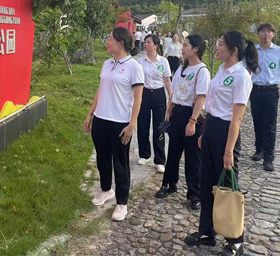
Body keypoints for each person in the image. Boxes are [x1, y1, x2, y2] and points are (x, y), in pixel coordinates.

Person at [185, 31, 258, 256]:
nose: (216, 47)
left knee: (227, 186)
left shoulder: (241, 76)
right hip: (211, 127)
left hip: (227, 132)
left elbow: (237, 119)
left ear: (233, 50)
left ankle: (235, 240)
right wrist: (205, 133)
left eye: (220, 44)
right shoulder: (222, 69)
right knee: (206, 183)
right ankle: (207, 232)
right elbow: (214, 105)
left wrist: (228, 151)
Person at [84, 27, 144, 221]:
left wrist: (132, 123)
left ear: (120, 43)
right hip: (101, 119)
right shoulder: (107, 63)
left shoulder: (134, 66)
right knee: (102, 158)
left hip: (120, 123)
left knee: (120, 163)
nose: (107, 42)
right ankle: (105, 190)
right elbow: (100, 89)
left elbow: (138, 98)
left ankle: (122, 202)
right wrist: (91, 113)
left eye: (110, 38)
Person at [155, 35, 209, 211]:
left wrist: (192, 121)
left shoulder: (202, 71)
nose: (182, 48)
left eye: (185, 45)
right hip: (177, 113)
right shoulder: (180, 69)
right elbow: (174, 92)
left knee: (193, 157)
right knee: (173, 151)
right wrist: (169, 110)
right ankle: (169, 184)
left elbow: (201, 98)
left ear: (196, 49)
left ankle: (195, 194)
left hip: (192, 114)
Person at [250, 23, 280, 172]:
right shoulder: (253, 51)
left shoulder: (279, 51)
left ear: (273, 34)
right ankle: (259, 149)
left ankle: (269, 158)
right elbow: (245, 68)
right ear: (258, 34)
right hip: (255, 90)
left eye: (269, 31)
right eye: (262, 31)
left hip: (271, 91)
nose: (265, 34)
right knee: (257, 121)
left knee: (269, 125)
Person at [137, 34, 173, 173]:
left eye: (148, 42)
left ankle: (159, 159)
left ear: (156, 46)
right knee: (143, 125)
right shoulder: (140, 61)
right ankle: (144, 154)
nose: (145, 44)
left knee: (159, 127)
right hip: (144, 94)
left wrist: (171, 98)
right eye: (145, 42)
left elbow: (167, 81)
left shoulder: (163, 62)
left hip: (159, 95)